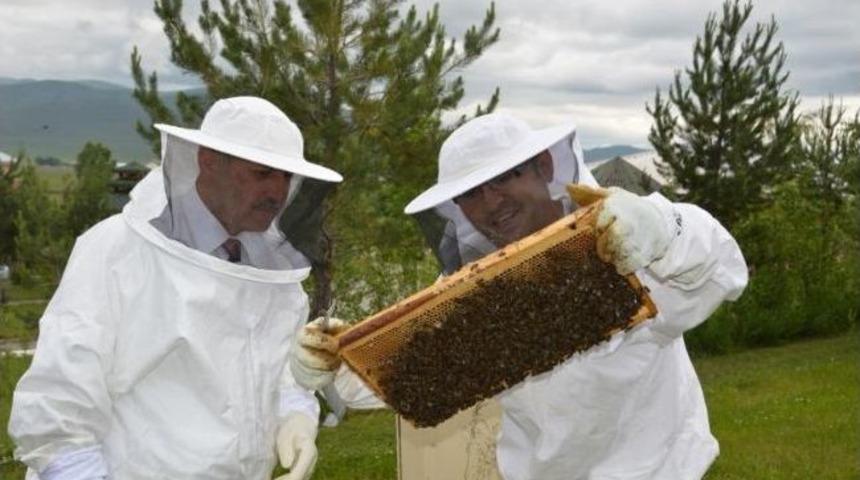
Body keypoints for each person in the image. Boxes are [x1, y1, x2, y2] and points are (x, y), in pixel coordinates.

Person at [291, 113, 749, 479]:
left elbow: (723, 267)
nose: (490, 204)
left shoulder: (619, 240)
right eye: (471, 194)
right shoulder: (481, 289)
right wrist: (337, 361)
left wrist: (660, 227)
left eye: (504, 179)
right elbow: (411, 379)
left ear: (544, 167)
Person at [8, 97, 344, 480]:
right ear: (209, 161)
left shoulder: (275, 275)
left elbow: (283, 373)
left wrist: (296, 416)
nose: (277, 191)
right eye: (262, 172)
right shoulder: (116, 251)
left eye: (286, 177)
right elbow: (57, 402)